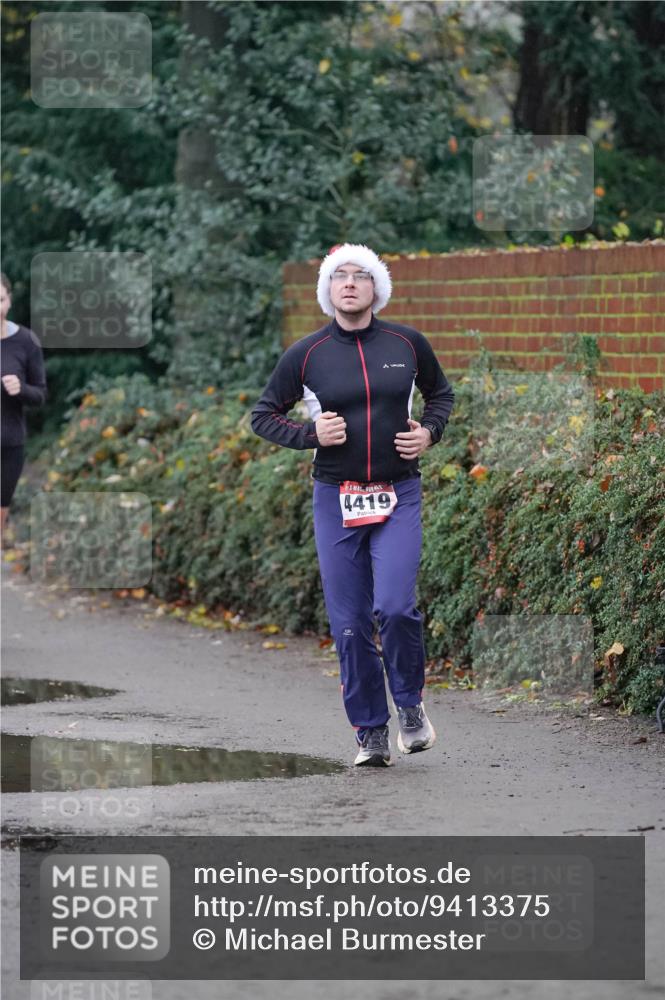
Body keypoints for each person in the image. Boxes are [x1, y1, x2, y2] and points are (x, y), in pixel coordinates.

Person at [251, 244, 454, 766]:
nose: (349, 284)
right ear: (326, 290)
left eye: (360, 276)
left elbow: (442, 397)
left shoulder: (407, 344)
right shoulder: (307, 353)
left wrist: (428, 433)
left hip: (398, 492)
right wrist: (309, 433)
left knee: (394, 606)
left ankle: (409, 705)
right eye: (338, 276)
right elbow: (262, 414)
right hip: (334, 498)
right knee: (349, 622)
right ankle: (370, 731)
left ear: (375, 288)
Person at [1, 272, 47, 544]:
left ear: (9, 301)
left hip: (8, 444)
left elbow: (40, 395)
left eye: (0, 299)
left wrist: (21, 389)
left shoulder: (27, 341)